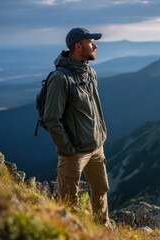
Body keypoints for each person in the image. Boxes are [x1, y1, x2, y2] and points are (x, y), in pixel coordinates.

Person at [43, 27, 110, 225]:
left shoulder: (90, 73)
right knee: (67, 201)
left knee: (101, 190)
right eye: (91, 42)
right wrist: (67, 150)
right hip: (74, 153)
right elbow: (51, 118)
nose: (95, 45)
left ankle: (103, 230)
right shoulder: (60, 78)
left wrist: (100, 137)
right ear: (78, 46)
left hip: (97, 148)